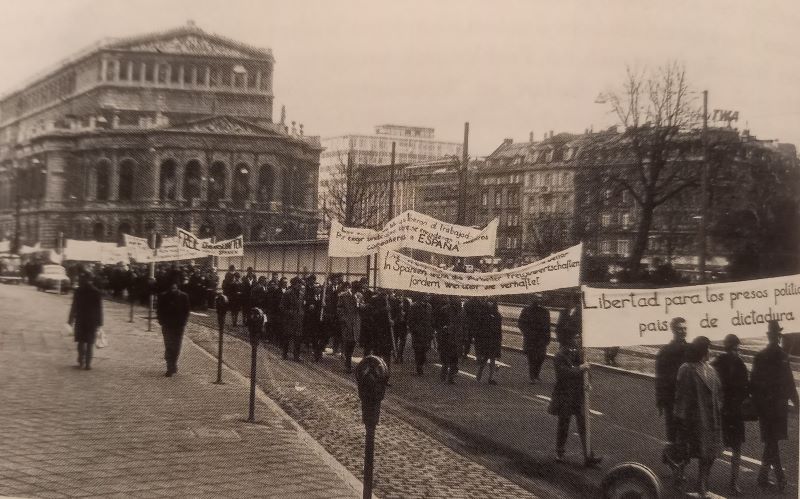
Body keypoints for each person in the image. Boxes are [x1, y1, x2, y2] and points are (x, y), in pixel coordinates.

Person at [750, 320, 799, 491]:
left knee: (771, 441)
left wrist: (756, 404)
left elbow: (753, 383)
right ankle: (778, 477)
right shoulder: (782, 357)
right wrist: (797, 403)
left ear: (768, 336)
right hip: (779, 408)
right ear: (777, 336)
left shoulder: (760, 356)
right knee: (773, 441)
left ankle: (765, 477)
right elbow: (790, 383)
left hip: (765, 407)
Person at [673, 336, 722, 497]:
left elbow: (718, 393)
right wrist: (680, 417)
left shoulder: (712, 370)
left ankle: (702, 484)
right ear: (702, 350)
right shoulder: (687, 368)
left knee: (709, 454)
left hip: (711, 418)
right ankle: (679, 476)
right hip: (695, 418)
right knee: (688, 452)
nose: (711, 351)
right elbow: (681, 395)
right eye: (708, 348)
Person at [548, 324, 601, 467]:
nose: (578, 340)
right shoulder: (559, 356)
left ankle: (589, 455)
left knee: (584, 425)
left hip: (578, 393)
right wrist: (580, 368)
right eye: (576, 337)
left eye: (579, 337)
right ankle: (559, 452)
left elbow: (586, 370)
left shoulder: (579, 353)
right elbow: (563, 374)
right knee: (564, 424)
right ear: (568, 340)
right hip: (565, 394)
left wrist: (588, 381)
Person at [710, 333, 749, 495]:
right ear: (731, 348)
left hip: (727, 411)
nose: (736, 351)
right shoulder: (732, 363)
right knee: (728, 447)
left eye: (736, 349)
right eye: (735, 348)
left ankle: (729, 481)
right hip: (729, 411)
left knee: (726, 446)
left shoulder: (720, 362)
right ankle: (730, 483)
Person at [655, 317, 689, 465]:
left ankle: (677, 462)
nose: (683, 331)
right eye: (680, 328)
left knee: (685, 434)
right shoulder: (665, 351)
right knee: (673, 433)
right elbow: (660, 376)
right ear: (673, 330)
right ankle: (676, 465)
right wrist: (660, 400)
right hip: (672, 398)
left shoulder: (691, 349)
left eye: (685, 328)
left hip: (688, 398)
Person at [67, 272, 103, 370]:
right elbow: (99, 309)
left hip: (80, 319)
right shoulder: (96, 292)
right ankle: (88, 364)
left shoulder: (78, 291)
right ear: (91, 280)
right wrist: (100, 323)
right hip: (92, 320)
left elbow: (74, 306)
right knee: (90, 342)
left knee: (81, 341)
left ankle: (81, 361)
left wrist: (70, 320)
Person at [156, 280, 191, 377]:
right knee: (169, 346)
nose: (173, 290)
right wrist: (161, 321)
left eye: (174, 288)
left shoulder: (184, 296)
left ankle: (174, 363)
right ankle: (169, 367)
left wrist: (183, 322)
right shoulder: (163, 296)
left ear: (177, 288)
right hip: (167, 325)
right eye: (171, 288)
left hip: (179, 326)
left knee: (177, 346)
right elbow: (159, 310)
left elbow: (186, 311)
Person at [518, 294, 551, 383]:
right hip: (531, 338)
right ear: (533, 299)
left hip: (541, 339)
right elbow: (521, 323)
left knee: (541, 357)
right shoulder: (527, 310)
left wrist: (548, 337)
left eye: (540, 298)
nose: (539, 300)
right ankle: (532, 376)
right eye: (537, 298)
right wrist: (527, 333)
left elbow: (548, 326)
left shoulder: (545, 312)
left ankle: (536, 374)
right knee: (532, 357)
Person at [439, 297, 466, 384]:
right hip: (447, 337)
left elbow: (465, 325)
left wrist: (465, 337)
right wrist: (444, 328)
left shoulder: (462, 311)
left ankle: (450, 377)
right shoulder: (445, 310)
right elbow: (439, 322)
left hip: (457, 338)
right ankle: (444, 376)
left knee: (454, 360)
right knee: (447, 359)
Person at [475, 300, 502, 385]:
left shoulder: (497, 315)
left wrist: (499, 339)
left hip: (493, 340)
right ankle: (481, 371)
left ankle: (491, 377)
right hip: (485, 339)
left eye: (492, 302)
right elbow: (479, 328)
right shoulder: (483, 314)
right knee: (485, 358)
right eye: (489, 302)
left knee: (492, 359)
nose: (490, 304)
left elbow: (499, 329)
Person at [280, 277, 305, 361]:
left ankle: (296, 356)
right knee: (287, 337)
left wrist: (302, 313)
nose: (300, 285)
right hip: (289, 319)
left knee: (298, 338)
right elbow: (282, 306)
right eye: (298, 284)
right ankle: (284, 354)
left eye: (300, 284)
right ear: (293, 284)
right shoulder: (287, 293)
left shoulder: (302, 294)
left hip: (299, 319)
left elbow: (302, 305)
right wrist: (289, 312)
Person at [336, 282, 360, 373]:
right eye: (355, 290)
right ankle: (348, 364)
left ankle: (348, 361)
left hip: (356, 322)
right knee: (348, 342)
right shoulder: (344, 296)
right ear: (352, 288)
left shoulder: (359, 296)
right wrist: (343, 319)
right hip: (347, 323)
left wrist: (361, 305)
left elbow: (361, 307)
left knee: (353, 342)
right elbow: (339, 308)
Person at [408, 294, 434, 375]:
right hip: (418, 332)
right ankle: (419, 367)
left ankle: (420, 364)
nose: (428, 297)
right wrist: (415, 330)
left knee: (425, 349)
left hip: (427, 332)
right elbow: (410, 320)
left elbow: (431, 319)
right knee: (418, 350)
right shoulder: (414, 306)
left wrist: (431, 330)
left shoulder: (429, 306)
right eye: (426, 295)